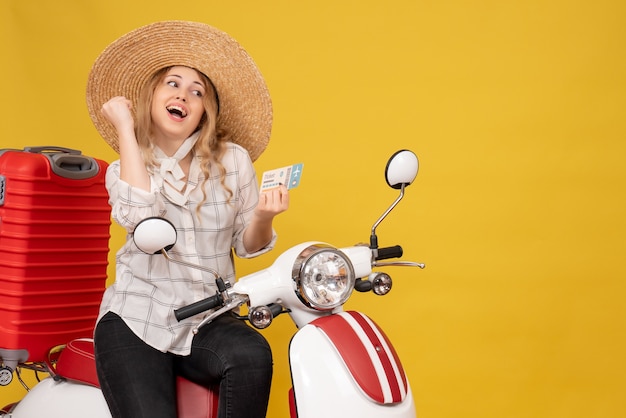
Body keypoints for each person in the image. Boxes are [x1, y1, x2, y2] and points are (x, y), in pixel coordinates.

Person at [85, 21, 289, 418]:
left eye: (197, 92)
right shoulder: (123, 167)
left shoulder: (233, 160)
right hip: (137, 318)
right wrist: (126, 128)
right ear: (152, 96)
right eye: (173, 84)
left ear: (204, 112)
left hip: (208, 317)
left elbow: (248, 247)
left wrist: (263, 215)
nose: (184, 95)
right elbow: (142, 221)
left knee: (251, 354)